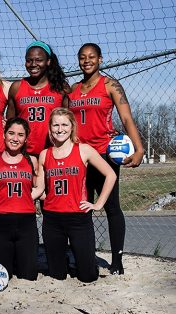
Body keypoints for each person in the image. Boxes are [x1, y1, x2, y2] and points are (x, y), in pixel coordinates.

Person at [68, 43, 144, 274]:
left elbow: (127, 118)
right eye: (82, 57)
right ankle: (86, 256)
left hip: (104, 154)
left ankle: (117, 261)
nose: (87, 61)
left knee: (112, 208)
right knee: (82, 209)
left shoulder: (110, 85)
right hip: (80, 156)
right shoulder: (73, 88)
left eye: (92, 57)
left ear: (100, 59)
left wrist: (139, 149)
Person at [34, 108, 116, 283]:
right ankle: (64, 264)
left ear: (72, 127)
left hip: (79, 218)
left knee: (88, 276)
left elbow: (111, 175)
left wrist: (98, 203)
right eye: (56, 124)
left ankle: (80, 263)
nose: (60, 129)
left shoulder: (84, 150)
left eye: (64, 124)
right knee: (57, 275)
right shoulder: (44, 154)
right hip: (53, 219)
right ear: (50, 128)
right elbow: (40, 189)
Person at [0, 117, 42, 281]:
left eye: (20, 135)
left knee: (29, 276)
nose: (15, 138)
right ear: (4, 134)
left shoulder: (32, 160)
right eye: (11, 133)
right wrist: (0, 200)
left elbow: (39, 187)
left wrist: (25, 199)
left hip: (26, 222)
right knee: (2, 276)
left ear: (26, 139)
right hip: (0, 222)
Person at [7, 40, 70, 156]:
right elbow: (10, 124)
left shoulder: (61, 88)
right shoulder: (16, 87)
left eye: (39, 60)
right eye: (29, 60)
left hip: (53, 151)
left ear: (48, 61)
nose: (33, 64)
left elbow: (70, 122)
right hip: (23, 153)